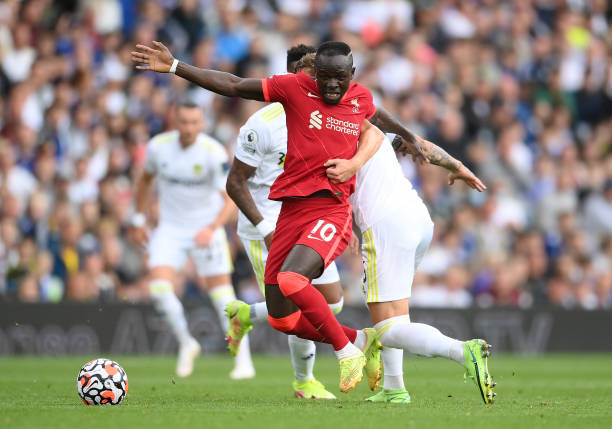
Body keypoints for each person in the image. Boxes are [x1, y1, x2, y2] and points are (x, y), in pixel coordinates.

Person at [229, 53, 495, 405]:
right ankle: (395, 389)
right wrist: (457, 164)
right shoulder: (356, 117)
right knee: (396, 312)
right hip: (416, 216)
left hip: (384, 224)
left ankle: (463, 351)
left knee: (387, 328)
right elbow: (416, 144)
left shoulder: (323, 122)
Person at [132, 40, 384, 393]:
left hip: (328, 209)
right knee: (283, 318)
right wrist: (176, 66)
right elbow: (234, 85)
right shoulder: (285, 100)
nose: (328, 84)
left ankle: (336, 359)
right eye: (320, 76)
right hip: (280, 216)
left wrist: (389, 153)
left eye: (336, 77)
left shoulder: (359, 98)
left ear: (351, 75)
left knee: (307, 289)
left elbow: (374, 129)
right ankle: (356, 340)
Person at [226, 45, 343, 400]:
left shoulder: (324, 117)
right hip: (266, 221)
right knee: (294, 303)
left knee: (333, 302)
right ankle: (303, 381)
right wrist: (265, 229)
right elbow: (234, 182)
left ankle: (246, 315)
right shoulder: (263, 125)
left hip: (307, 216)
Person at [132, 101, 254, 379]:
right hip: (170, 228)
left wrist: (211, 228)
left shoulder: (213, 153)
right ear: (175, 122)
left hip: (205, 228)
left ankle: (244, 361)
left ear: (202, 124)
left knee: (222, 295)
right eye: (183, 122)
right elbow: (144, 181)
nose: (188, 128)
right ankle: (187, 342)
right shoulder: (158, 147)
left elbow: (231, 198)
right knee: (159, 289)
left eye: (193, 123)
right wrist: (139, 219)